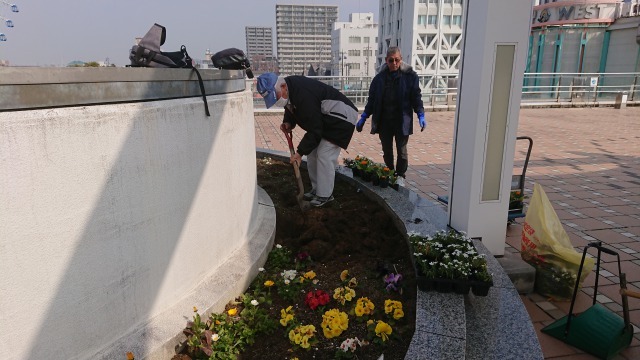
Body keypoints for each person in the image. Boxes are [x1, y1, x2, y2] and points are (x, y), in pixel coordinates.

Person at [256, 72, 359, 207]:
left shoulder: (303, 94)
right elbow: (290, 107)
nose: (276, 101)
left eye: (276, 97)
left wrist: (299, 153)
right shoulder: (289, 89)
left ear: (282, 86)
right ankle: (317, 190)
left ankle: (325, 195)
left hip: (341, 118)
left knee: (324, 154)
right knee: (312, 153)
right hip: (326, 118)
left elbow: (315, 129)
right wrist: (288, 122)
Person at [356, 46, 426, 181]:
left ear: (401, 60)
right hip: (384, 121)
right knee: (387, 151)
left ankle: (400, 176)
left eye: (397, 60)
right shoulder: (379, 79)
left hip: (402, 120)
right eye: (391, 60)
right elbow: (372, 100)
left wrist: (420, 115)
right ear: (386, 61)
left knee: (402, 151)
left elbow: (416, 97)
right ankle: (389, 173)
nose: (394, 63)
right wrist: (364, 117)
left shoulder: (410, 77)